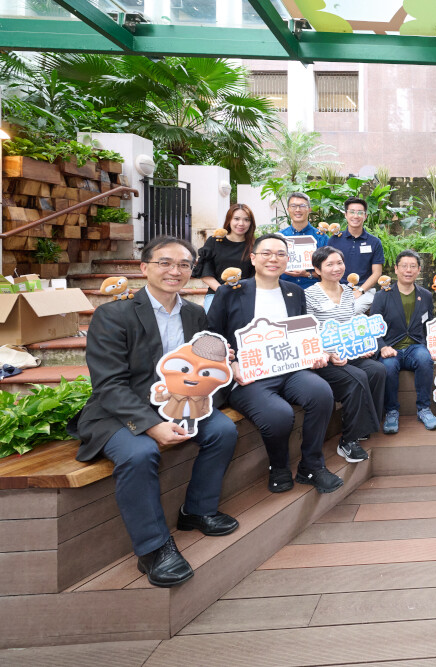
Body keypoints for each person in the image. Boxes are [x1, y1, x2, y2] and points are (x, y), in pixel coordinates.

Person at [70, 236, 239, 588]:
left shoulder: (195, 313)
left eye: (183, 265)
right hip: (118, 410)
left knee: (223, 431)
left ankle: (197, 511)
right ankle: (153, 548)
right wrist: (150, 425)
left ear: (192, 271)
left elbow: (200, 364)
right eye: (164, 262)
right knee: (139, 452)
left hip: (178, 402)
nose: (174, 271)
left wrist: (223, 360)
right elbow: (109, 385)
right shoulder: (113, 314)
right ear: (144, 268)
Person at [208, 234, 342, 495]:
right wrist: (229, 363)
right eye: (267, 253)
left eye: (281, 254)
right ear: (253, 258)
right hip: (248, 375)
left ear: (287, 260)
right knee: (279, 414)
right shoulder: (230, 292)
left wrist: (313, 352)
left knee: (321, 393)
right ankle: (279, 466)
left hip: (289, 370)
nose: (274, 259)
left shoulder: (295, 292)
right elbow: (211, 334)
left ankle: (311, 465)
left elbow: (303, 333)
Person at [305, 245, 385, 463]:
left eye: (339, 263)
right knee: (358, 377)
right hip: (325, 357)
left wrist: (363, 344)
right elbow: (308, 331)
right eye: (329, 264)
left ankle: (365, 427)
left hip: (349, 352)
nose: (336, 268)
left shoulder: (349, 292)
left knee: (378, 370)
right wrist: (328, 354)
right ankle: (348, 441)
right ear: (317, 270)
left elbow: (351, 326)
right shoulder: (309, 295)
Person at [371, 250, 436, 433]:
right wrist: (382, 347)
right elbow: (372, 328)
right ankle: (392, 411)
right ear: (395, 269)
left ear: (418, 270)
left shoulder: (425, 295)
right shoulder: (382, 296)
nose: (408, 270)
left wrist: (434, 346)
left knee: (425, 359)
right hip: (390, 347)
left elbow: (429, 325)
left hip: (415, 346)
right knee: (388, 367)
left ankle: (424, 409)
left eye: (412, 266)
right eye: (404, 266)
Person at [193, 204, 257, 313]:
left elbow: (256, 276)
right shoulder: (214, 242)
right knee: (214, 326)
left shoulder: (255, 245)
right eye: (236, 219)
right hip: (217, 293)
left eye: (246, 220)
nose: (241, 223)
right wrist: (224, 292)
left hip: (245, 295)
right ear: (229, 220)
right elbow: (206, 275)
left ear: (251, 223)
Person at [325, 197, 384, 313]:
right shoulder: (334, 240)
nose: (355, 216)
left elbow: (377, 272)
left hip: (364, 291)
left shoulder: (374, 242)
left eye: (360, 213)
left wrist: (360, 291)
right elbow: (328, 268)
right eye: (352, 212)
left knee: (352, 311)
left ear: (365, 216)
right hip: (337, 289)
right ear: (346, 215)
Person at [280, 192, 327, 289]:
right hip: (285, 289)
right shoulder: (279, 237)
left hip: (314, 290)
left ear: (309, 209)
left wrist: (307, 274)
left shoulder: (321, 237)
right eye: (293, 206)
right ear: (288, 209)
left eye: (302, 206)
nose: (297, 210)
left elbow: (330, 270)